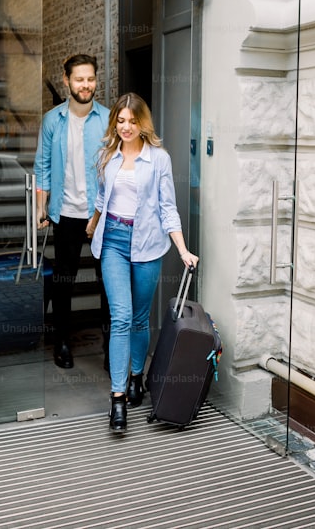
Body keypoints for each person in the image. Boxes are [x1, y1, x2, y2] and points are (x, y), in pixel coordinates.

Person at [85, 93, 199, 433]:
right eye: (120, 121)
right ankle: (117, 401)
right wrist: (93, 224)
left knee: (138, 318)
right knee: (120, 316)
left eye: (132, 121)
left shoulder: (159, 159)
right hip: (113, 243)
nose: (125, 127)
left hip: (148, 244)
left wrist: (181, 249)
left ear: (142, 123)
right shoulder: (106, 156)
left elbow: (167, 208)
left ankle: (137, 374)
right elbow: (103, 197)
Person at [34, 54, 110, 369]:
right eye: (79, 79)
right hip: (65, 213)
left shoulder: (109, 119)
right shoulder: (53, 120)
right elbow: (42, 167)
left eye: (90, 78)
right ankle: (62, 342)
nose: (86, 85)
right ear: (66, 80)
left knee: (108, 282)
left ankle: (111, 350)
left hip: (102, 215)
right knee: (64, 281)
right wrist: (41, 209)